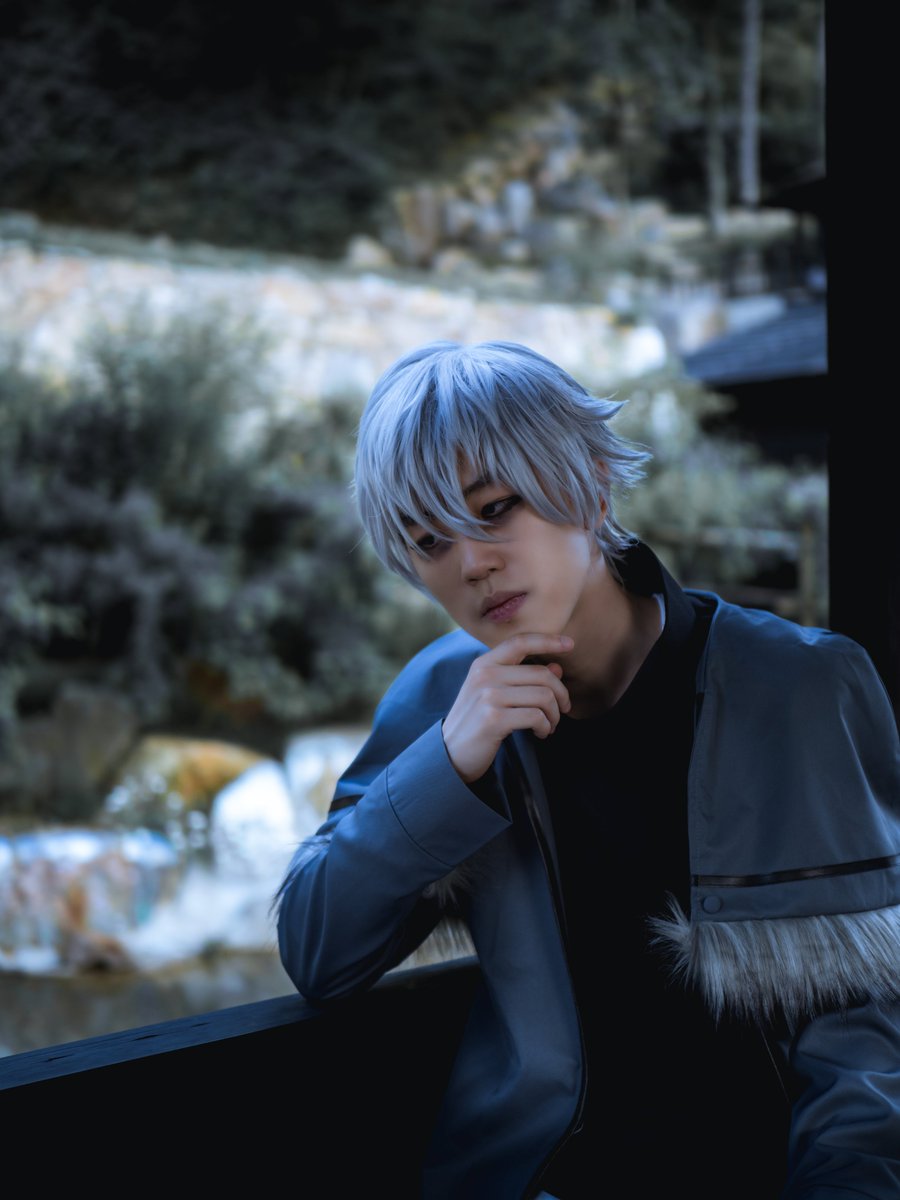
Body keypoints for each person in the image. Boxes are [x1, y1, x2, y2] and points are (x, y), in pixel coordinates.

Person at [275, 340, 900, 1199]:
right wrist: (449, 765)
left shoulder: (797, 685)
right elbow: (317, 952)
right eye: (429, 541)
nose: (471, 562)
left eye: (495, 508)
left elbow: (867, 1046)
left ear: (592, 487)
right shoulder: (444, 702)